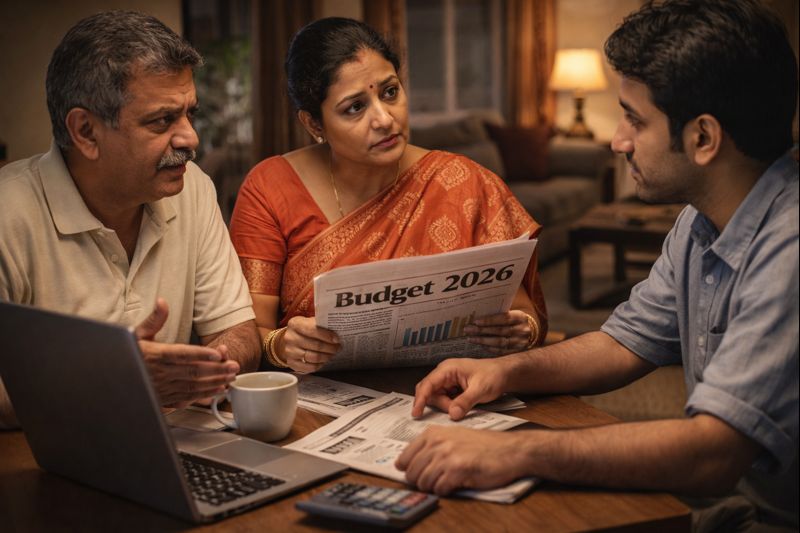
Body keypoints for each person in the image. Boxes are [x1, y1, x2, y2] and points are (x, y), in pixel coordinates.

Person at [395, 1, 799, 531]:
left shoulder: (788, 247)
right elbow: (622, 343)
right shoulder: (701, 222)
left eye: (635, 118)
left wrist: (519, 452)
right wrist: (506, 370)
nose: (618, 140)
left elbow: (712, 452)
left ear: (703, 138)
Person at [229, 18, 547, 373]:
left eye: (390, 92)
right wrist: (280, 345)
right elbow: (250, 331)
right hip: (319, 402)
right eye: (355, 107)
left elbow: (524, 313)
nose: (384, 119)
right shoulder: (270, 188)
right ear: (314, 125)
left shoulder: (464, 182)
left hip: (451, 390)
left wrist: (522, 330)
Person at [0, 11, 261, 429]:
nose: (191, 139)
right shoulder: (7, 212)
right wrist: (110, 380)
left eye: (190, 113)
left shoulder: (192, 187)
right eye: (162, 120)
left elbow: (239, 330)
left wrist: (209, 365)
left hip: (168, 447)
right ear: (86, 132)